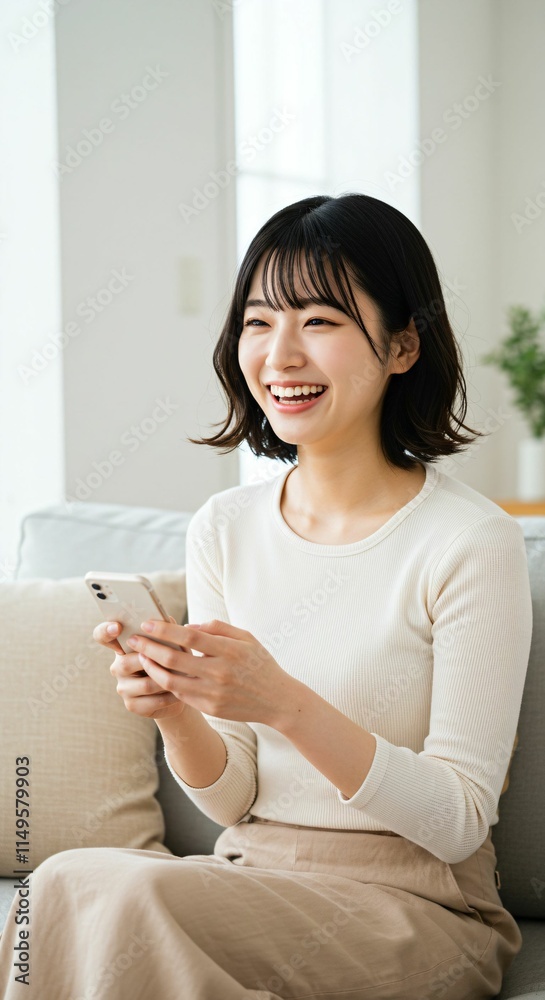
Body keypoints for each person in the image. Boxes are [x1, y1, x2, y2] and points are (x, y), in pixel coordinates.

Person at [0, 193, 533, 999]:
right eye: (258, 321)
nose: (279, 355)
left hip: (415, 908)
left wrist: (282, 703)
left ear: (401, 346)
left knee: (123, 895)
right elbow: (233, 798)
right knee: (61, 884)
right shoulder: (225, 526)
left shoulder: (468, 540)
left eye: (318, 321)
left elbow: (457, 821)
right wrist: (176, 709)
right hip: (253, 877)